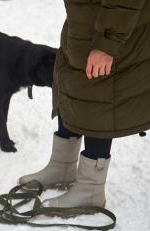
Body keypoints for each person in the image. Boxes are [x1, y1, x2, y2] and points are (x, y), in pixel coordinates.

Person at [19, 0, 150, 208]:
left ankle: (90, 190)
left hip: (114, 32)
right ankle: (62, 167)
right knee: (71, 87)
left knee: (98, 97)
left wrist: (107, 44)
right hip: (84, 24)